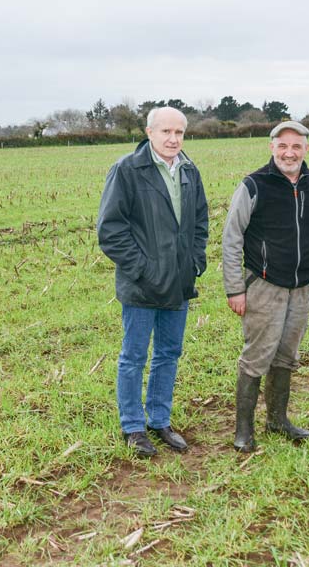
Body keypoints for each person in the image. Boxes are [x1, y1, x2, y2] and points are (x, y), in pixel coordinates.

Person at [97, 106, 209, 458]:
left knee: (168, 353)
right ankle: (133, 426)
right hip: (141, 285)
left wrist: (195, 261)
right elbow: (110, 230)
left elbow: (200, 221)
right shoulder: (127, 171)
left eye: (179, 133)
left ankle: (159, 420)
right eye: (166, 132)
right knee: (133, 357)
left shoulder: (189, 170)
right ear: (149, 133)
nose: (173, 139)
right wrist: (143, 268)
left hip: (179, 282)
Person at [222, 121, 309, 452]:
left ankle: (278, 420)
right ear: (271, 147)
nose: (289, 152)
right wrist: (235, 288)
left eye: (296, 146)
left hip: (302, 287)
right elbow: (232, 238)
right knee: (257, 355)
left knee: (286, 354)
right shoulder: (253, 186)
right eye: (283, 146)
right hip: (263, 285)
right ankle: (243, 430)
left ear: (306, 149)